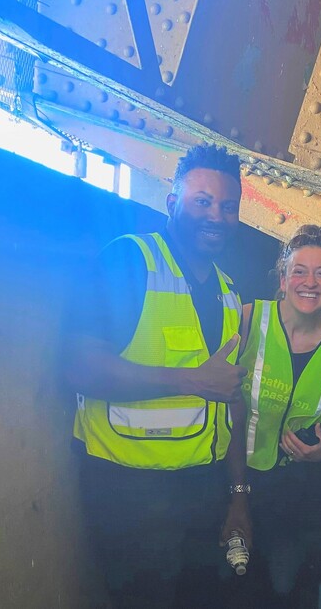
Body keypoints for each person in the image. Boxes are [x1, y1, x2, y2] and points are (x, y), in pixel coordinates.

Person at [66, 144, 251, 608]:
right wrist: (190, 380)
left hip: (202, 491)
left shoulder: (229, 292)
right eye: (202, 201)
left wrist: (237, 498)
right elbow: (79, 368)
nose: (217, 215)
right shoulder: (129, 261)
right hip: (130, 493)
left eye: (228, 207)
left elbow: (229, 404)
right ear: (172, 203)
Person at [237, 224, 321, 607]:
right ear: (283, 277)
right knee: (226, 582)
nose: (310, 282)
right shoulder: (248, 319)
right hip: (232, 480)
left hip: (295, 498)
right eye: (300, 271)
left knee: (282, 590)